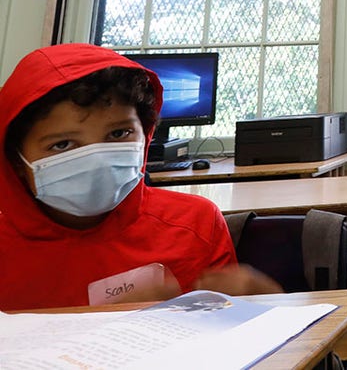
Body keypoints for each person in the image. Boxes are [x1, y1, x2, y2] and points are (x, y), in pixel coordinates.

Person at [0, 43, 281, 310]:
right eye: (62, 145)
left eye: (119, 133)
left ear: (145, 135)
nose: (98, 159)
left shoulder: (195, 225)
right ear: (16, 159)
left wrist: (266, 308)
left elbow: (230, 339)